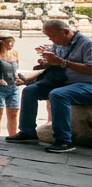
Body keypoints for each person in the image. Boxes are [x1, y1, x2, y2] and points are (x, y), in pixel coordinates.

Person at [6, 19, 92, 153]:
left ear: (65, 32)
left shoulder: (87, 44)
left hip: (86, 85)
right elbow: (58, 63)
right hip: (64, 82)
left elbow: (90, 68)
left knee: (58, 94)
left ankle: (63, 140)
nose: (51, 40)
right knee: (30, 91)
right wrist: (47, 63)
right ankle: (27, 132)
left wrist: (63, 62)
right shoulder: (59, 44)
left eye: (52, 36)